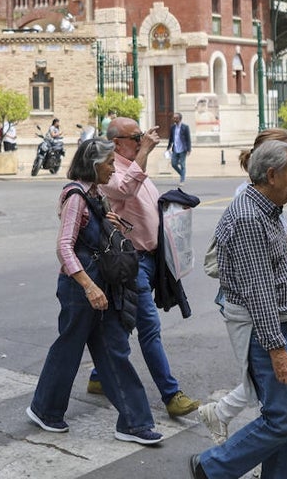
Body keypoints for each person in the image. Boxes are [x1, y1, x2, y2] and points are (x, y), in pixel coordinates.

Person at [189, 140, 287, 479]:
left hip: (280, 322)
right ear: (272, 174)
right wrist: (278, 351)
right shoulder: (250, 216)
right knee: (282, 420)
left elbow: (273, 268)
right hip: (265, 328)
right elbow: (258, 290)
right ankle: (211, 467)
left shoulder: (266, 209)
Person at [26, 138, 163, 446]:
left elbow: (93, 236)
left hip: (101, 286)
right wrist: (88, 287)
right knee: (71, 348)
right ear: (94, 164)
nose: (113, 169)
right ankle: (46, 409)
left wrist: (111, 223)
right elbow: (64, 246)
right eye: (109, 163)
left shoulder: (95, 193)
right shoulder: (75, 195)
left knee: (112, 349)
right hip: (82, 288)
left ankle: (133, 422)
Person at [88, 117, 200, 419]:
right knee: (149, 328)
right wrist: (144, 152)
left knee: (125, 321)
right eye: (135, 137)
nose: (141, 141)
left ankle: (99, 375)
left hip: (151, 258)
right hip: (132, 262)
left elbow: (143, 200)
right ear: (116, 142)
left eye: (141, 136)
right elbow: (123, 192)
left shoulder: (135, 166)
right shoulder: (110, 171)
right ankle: (171, 394)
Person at [167, 112, 192, 183]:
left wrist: (189, 149)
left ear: (179, 119)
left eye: (175, 118)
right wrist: (168, 147)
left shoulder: (185, 127)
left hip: (183, 149)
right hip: (175, 149)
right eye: (174, 118)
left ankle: (182, 180)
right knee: (173, 164)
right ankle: (182, 174)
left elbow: (188, 139)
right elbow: (171, 138)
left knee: (182, 164)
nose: (174, 119)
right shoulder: (172, 127)